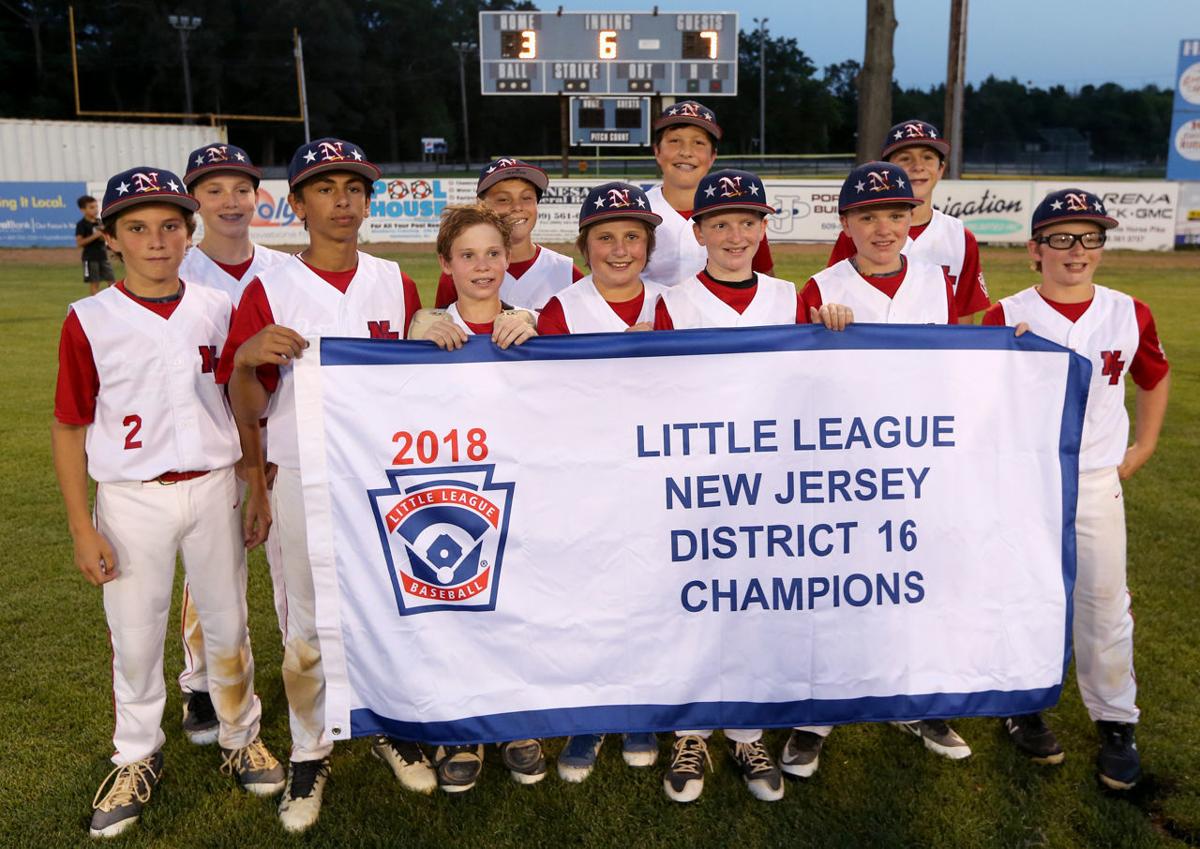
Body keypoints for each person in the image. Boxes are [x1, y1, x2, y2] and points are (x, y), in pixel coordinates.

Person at [53, 167, 284, 839]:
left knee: (228, 622)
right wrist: (79, 526)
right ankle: (135, 755)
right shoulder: (89, 319)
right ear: (113, 238)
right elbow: (69, 424)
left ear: (189, 232)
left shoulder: (217, 307)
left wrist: (256, 485)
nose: (156, 240)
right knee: (135, 636)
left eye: (170, 225)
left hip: (214, 484)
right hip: (131, 496)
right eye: (138, 227)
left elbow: (244, 408)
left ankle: (242, 734)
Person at [217, 138, 428, 832]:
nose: (343, 200)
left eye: (355, 187)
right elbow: (246, 404)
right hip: (301, 471)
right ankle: (310, 749)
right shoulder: (269, 287)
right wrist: (246, 361)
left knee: (388, 608)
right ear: (298, 203)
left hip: (381, 474)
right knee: (304, 620)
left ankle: (390, 722)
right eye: (326, 188)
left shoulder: (396, 281)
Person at [652, 168, 850, 804]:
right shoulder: (673, 303)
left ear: (766, 227)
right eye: (720, 223)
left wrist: (836, 330)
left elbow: (821, 384)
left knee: (759, 606)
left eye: (748, 221)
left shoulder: (792, 298)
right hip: (697, 480)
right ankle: (689, 731)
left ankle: (745, 728)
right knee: (694, 602)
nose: (735, 234)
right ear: (698, 229)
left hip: (772, 484)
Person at [983, 188, 1170, 790]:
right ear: (1034, 250)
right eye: (1061, 238)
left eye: (1090, 238)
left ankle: (1116, 720)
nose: (1076, 250)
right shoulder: (1004, 314)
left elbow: (1154, 377)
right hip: (1024, 481)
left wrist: (1144, 445)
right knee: (1022, 594)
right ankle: (1023, 704)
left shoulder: (1128, 311)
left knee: (1103, 601)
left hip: (1092, 479)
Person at [790, 161, 969, 775]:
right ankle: (818, 715)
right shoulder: (820, 286)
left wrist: (1016, 339)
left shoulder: (938, 280)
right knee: (835, 584)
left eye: (895, 214)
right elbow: (792, 380)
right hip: (842, 463)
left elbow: (966, 362)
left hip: (919, 459)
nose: (884, 227)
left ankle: (917, 699)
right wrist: (819, 329)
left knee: (915, 581)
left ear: (912, 216)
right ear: (847, 222)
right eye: (868, 216)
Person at [535, 182, 665, 780]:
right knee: (589, 593)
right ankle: (589, 710)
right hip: (585, 475)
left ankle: (643, 706)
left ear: (649, 244)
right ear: (585, 245)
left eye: (633, 236)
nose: (620, 249)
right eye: (605, 237)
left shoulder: (674, 303)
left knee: (649, 593)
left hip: (659, 472)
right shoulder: (562, 308)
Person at [174, 142, 290, 748]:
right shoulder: (176, 272)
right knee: (213, 573)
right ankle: (202, 683)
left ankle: (309, 672)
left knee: (291, 567)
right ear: (195, 200)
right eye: (214, 189)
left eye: (241, 189)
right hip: (213, 445)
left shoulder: (282, 268)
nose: (230, 201)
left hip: (282, 438)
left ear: (257, 197)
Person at [826, 119, 990, 323]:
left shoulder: (960, 237)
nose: (918, 167)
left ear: (941, 169)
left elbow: (964, 318)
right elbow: (834, 295)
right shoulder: (860, 233)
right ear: (886, 170)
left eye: (928, 158)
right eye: (905, 158)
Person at [640, 101, 774, 289]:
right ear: (657, 151)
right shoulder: (636, 211)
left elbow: (766, 285)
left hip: (720, 318)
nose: (686, 152)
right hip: (650, 318)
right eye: (674, 141)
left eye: (699, 143)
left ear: (713, 156)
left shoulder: (739, 213)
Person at [433, 157, 583, 310]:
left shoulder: (566, 271)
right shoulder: (460, 273)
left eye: (526, 198)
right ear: (481, 204)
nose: (517, 207)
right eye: (503, 199)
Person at [76, 195, 115, 296]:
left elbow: (104, 238)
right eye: (91, 207)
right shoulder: (82, 224)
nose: (95, 209)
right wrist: (95, 235)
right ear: (83, 210)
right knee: (95, 283)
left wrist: (104, 235)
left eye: (96, 206)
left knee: (111, 281)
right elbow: (79, 243)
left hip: (103, 256)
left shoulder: (100, 222)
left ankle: (114, 303)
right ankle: (95, 306)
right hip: (90, 258)